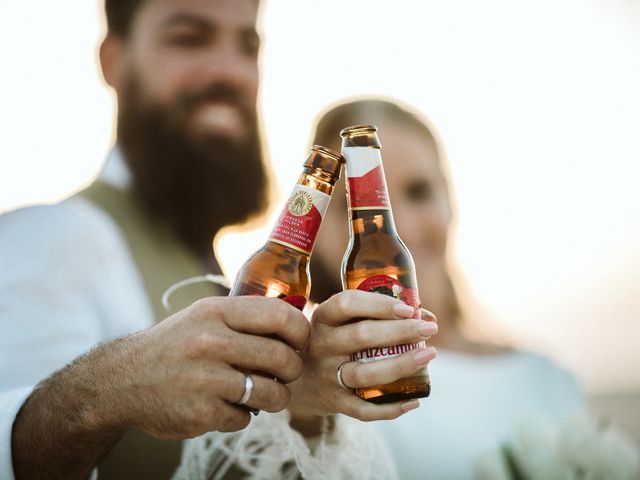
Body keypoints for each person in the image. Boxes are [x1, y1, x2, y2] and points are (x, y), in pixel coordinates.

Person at [0, 4, 437, 480]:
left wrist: (301, 400)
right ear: (113, 59)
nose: (230, 71)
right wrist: (114, 386)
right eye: (190, 38)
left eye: (247, 46)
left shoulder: (221, 265)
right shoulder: (52, 238)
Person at [308, 97, 585, 479]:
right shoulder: (311, 398)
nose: (396, 223)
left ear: (450, 200)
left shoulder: (548, 378)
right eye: (358, 205)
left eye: (419, 191)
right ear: (319, 232)